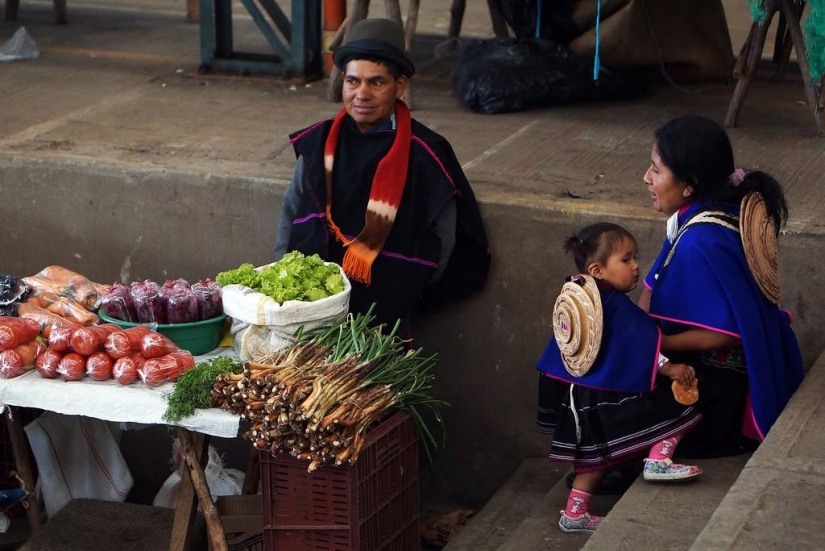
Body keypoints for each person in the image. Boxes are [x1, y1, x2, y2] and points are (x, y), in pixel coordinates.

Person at [275, 18, 490, 330]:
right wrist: (285, 274)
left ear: (399, 86)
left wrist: (410, 289)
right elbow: (291, 210)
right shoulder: (319, 142)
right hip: (311, 302)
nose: (362, 94)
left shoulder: (424, 152)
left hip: (386, 308)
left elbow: (445, 234)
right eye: (352, 81)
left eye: (376, 82)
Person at [638, 115, 804, 458]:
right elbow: (651, 288)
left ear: (689, 183)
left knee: (625, 419)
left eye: (656, 170)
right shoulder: (701, 211)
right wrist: (636, 338)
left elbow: (731, 332)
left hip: (723, 387)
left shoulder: (702, 239)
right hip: (716, 367)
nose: (647, 178)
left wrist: (661, 343)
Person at [536, 223, 703, 534]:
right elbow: (642, 342)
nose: (636, 266)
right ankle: (659, 460)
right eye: (626, 260)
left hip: (580, 395)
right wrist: (670, 369)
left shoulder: (579, 295)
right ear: (598, 269)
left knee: (591, 460)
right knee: (676, 412)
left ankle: (574, 513)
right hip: (609, 395)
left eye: (635, 257)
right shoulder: (614, 305)